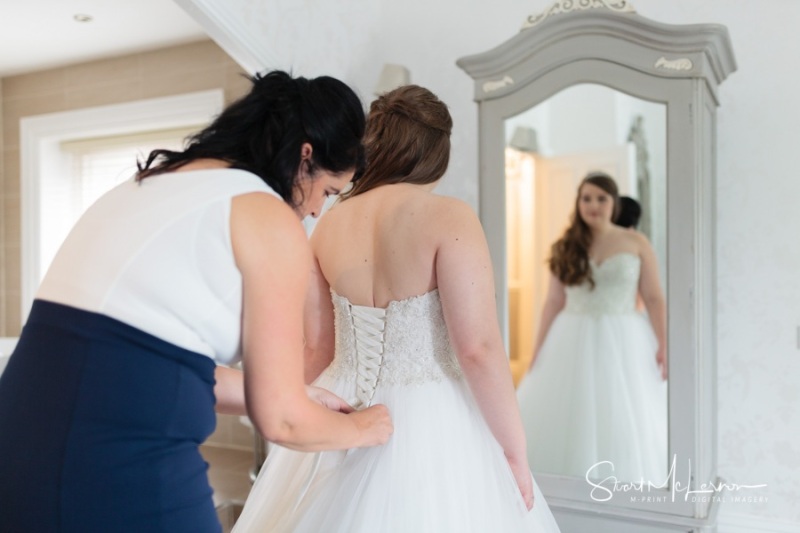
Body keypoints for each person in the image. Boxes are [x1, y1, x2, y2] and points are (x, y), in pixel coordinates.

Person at [0, 70, 392, 533]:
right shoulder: (265, 214)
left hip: (18, 448)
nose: (315, 211)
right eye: (327, 191)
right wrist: (366, 429)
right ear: (305, 156)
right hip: (117, 460)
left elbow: (145, 361)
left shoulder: (146, 185)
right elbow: (283, 421)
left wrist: (299, 393)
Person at [232, 85, 560, 532]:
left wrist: (297, 419)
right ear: (437, 151)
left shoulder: (327, 223)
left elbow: (318, 349)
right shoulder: (450, 217)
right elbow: (478, 348)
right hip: (435, 417)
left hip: (343, 406)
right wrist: (515, 450)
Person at [516, 172, 667, 483]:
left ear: (613, 203)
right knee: (570, 414)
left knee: (624, 412)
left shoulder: (636, 242)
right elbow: (553, 301)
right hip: (570, 337)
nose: (593, 205)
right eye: (587, 198)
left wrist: (665, 342)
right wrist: (538, 349)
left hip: (625, 336)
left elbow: (653, 297)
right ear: (578, 203)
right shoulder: (564, 245)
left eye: (601, 198)